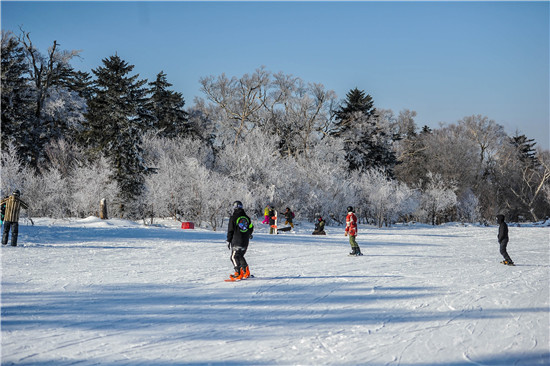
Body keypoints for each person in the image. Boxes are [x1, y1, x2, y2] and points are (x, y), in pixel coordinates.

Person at [226, 200, 254, 280]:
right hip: (245, 241)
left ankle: (238, 273)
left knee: (234, 257)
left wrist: (228, 240)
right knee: (240, 256)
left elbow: (230, 230)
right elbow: (251, 227)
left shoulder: (233, 218)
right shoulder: (247, 218)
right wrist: (248, 233)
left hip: (236, 240)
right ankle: (246, 271)